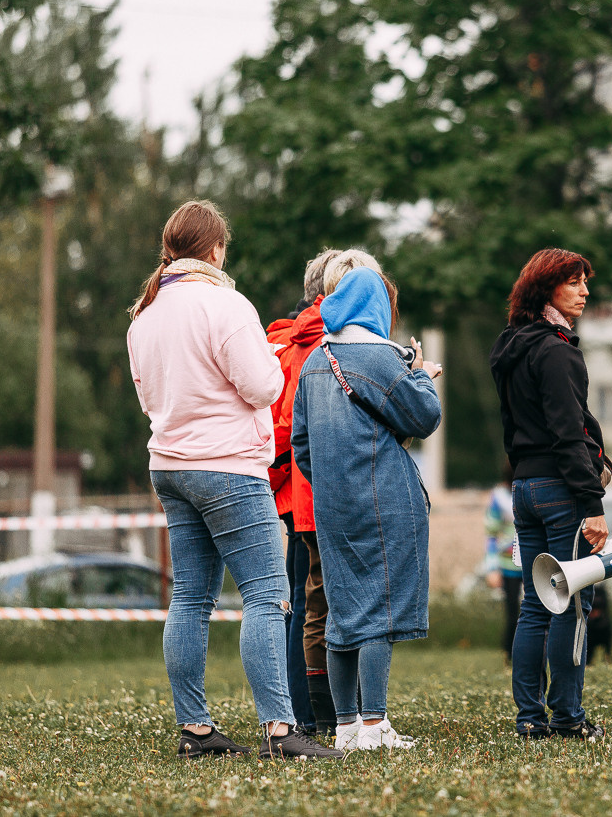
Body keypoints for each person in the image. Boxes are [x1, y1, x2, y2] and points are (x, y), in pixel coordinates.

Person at [127, 199, 342, 760]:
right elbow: (266, 387)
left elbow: (148, 396)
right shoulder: (226, 304)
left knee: (191, 600)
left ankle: (195, 730)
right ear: (216, 248)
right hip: (226, 467)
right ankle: (280, 731)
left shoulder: (144, 315)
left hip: (169, 466)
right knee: (268, 596)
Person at [291, 266, 443, 752]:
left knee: (342, 612)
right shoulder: (379, 356)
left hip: (332, 505)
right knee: (380, 610)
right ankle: (376, 726)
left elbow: (301, 445)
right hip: (386, 499)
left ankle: (346, 726)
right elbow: (425, 416)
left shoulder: (315, 360)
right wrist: (419, 374)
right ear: (375, 305)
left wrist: (333, 483)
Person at [489, 247, 612, 742]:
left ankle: (529, 719)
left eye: (585, 282)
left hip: (524, 487)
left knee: (534, 607)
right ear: (547, 290)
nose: (585, 291)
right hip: (562, 490)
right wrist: (593, 504)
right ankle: (566, 717)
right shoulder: (558, 351)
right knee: (571, 602)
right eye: (574, 283)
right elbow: (567, 434)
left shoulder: (510, 346)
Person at [265, 247, 340, 734]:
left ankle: (301, 711)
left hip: (289, 493)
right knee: (314, 605)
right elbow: (295, 423)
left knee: (300, 601)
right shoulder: (318, 344)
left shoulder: (282, 341)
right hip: (313, 489)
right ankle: (312, 714)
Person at [483, 469, 522, 664]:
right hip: (508, 564)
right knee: (512, 613)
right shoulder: (499, 498)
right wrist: (491, 568)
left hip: (535, 561)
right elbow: (491, 534)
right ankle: (510, 654)